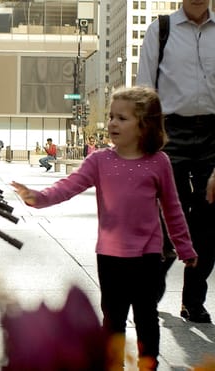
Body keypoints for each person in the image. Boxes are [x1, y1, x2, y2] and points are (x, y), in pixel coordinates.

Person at [11, 87, 198, 370]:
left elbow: (172, 209)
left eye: (122, 118)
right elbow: (68, 186)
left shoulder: (159, 163)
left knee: (146, 316)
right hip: (110, 256)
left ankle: (149, 365)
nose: (112, 123)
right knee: (113, 318)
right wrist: (39, 197)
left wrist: (184, 247)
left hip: (148, 256)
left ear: (144, 125)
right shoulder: (99, 161)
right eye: (111, 117)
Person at [136, 0, 215, 323]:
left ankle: (193, 301)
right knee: (170, 220)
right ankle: (149, 294)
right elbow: (143, 92)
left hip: (213, 133)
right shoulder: (161, 31)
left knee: (210, 223)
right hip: (170, 133)